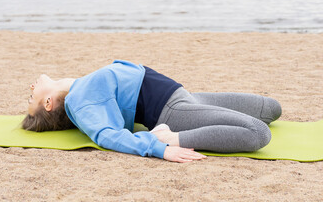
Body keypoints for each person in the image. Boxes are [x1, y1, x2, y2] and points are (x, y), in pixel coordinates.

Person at [22, 60, 282, 163]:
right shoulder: (78, 102)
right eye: (31, 95)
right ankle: (169, 135)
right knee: (258, 133)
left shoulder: (77, 88)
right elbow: (105, 134)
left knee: (272, 109)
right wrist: (161, 146)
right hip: (172, 111)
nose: (32, 87)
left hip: (185, 96)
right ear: (48, 104)